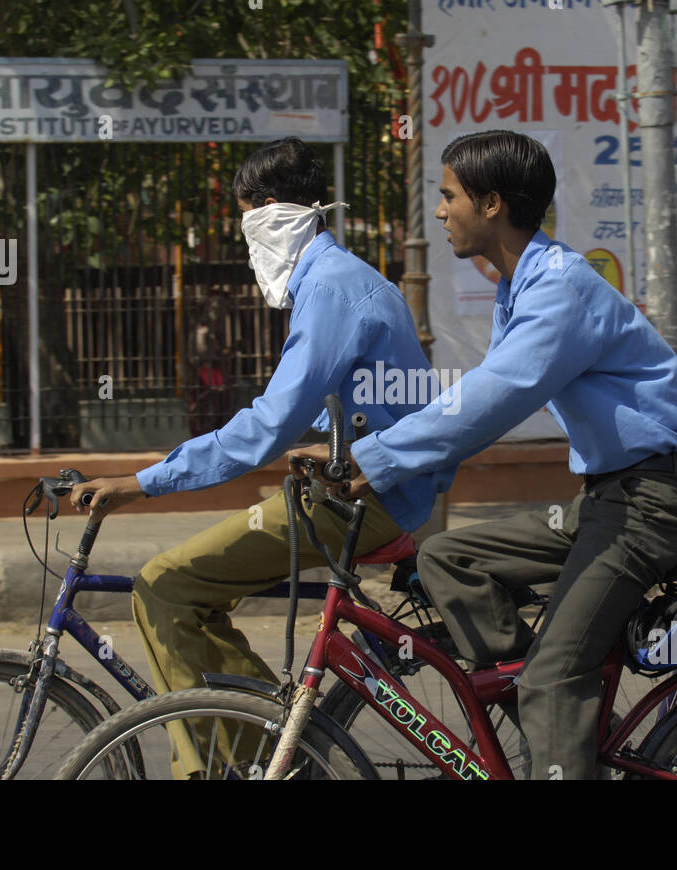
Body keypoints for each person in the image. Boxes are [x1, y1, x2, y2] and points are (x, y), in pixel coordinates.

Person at [291, 130, 677, 779]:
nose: (438, 210)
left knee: (553, 675)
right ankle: (548, 719)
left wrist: (380, 459)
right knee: (447, 560)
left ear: (491, 203)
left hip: (645, 507)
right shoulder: (523, 287)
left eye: (448, 195)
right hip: (602, 500)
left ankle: (552, 700)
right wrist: (366, 450)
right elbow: (474, 404)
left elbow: (492, 397)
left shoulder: (560, 289)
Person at [70, 137, 448, 777]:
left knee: (163, 586)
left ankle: (234, 763)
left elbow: (264, 429)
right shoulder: (344, 277)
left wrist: (138, 484)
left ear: (272, 212)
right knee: (195, 596)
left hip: (361, 501)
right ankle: (271, 740)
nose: (248, 240)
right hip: (366, 489)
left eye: (248, 218)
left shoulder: (329, 288)